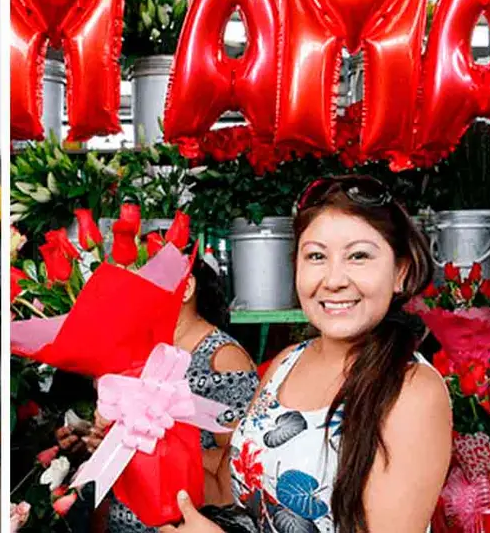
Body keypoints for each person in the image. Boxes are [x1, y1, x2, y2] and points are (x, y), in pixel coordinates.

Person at [161, 175, 452, 533]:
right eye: (316, 256)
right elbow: (226, 492)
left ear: (400, 273)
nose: (333, 279)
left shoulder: (413, 392)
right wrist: (140, 438)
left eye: (358, 256)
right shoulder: (286, 364)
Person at [57, 247, 261, 531]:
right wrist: (103, 442)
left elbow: (240, 462)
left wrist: (153, 451)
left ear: (186, 287)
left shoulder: (223, 357)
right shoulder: (143, 353)